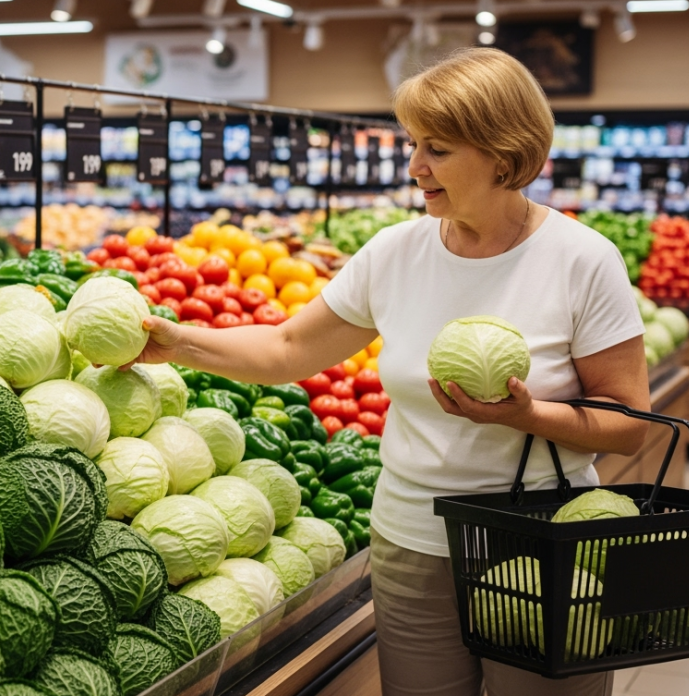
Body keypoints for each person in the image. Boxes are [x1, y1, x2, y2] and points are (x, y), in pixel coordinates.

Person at [134, 47, 647, 696]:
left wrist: (526, 416)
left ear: (503, 154)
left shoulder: (582, 260)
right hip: (410, 539)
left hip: (540, 543)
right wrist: (177, 342)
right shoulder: (395, 252)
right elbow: (290, 348)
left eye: (436, 149)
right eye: (413, 144)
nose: (415, 168)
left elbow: (629, 424)